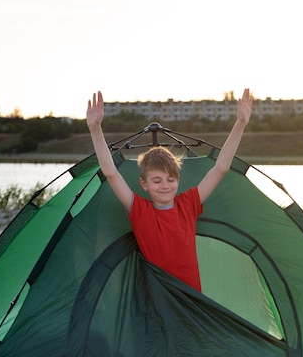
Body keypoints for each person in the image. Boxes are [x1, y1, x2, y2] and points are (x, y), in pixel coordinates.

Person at [86, 89, 252, 292]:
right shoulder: (140, 210)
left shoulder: (188, 204)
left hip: (191, 298)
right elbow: (111, 173)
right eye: (156, 180)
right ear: (144, 184)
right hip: (159, 299)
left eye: (170, 179)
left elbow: (220, 168)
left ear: (178, 180)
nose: (165, 185)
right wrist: (95, 128)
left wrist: (240, 124)